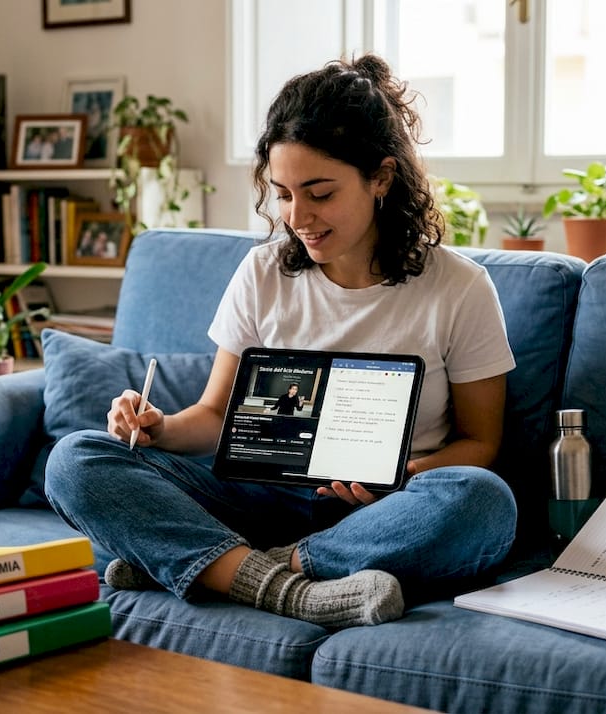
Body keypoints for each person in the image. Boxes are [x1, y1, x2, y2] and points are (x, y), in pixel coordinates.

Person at [44, 54, 517, 629]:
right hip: (254, 499)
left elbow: (479, 441)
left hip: (381, 514)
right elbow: (216, 415)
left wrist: (401, 479)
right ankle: (292, 590)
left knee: (483, 501)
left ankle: (218, 565)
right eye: (284, 194)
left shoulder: (458, 287)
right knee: (75, 459)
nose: (299, 216)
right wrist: (158, 427)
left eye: (319, 193)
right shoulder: (262, 273)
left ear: (382, 178)